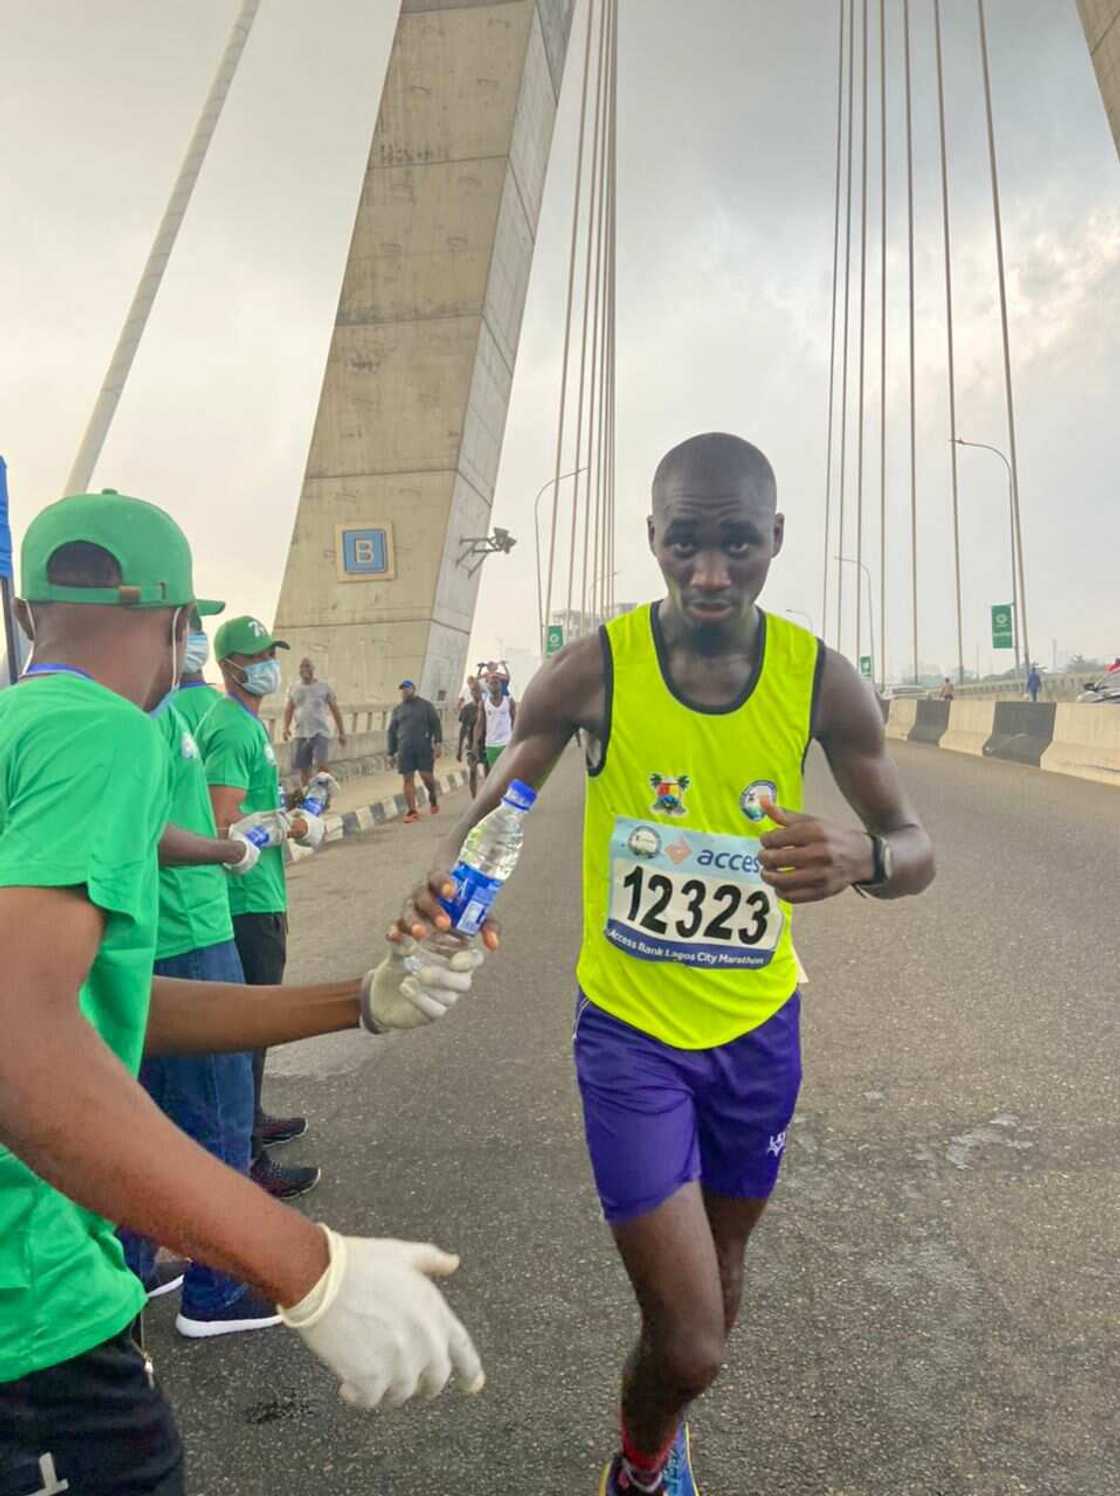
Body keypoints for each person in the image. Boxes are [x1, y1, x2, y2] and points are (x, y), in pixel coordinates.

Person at [394, 434, 935, 1495]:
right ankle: (638, 1467)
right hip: (631, 1037)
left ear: (774, 538)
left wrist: (862, 856)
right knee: (690, 1340)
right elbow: (508, 790)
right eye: (685, 543)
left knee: (718, 1289)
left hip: (758, 1034)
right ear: (653, 537)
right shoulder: (600, 664)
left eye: (737, 544)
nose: (710, 573)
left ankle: (662, 1425)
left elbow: (915, 847)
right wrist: (449, 885)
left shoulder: (820, 678)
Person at [0, 491, 485, 1493]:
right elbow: (18, 1037)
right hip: (29, 1306)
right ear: (180, 624)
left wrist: (355, 998)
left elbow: (103, 999)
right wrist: (307, 1266)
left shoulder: (14, 727)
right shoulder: (106, 732)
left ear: (23, 613)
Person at [195, 615, 321, 1201]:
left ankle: (254, 1117)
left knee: (257, 1024)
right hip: (245, 903)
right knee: (250, 1025)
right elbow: (222, 823)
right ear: (231, 667)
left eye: (272, 651)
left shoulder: (244, 722)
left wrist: (291, 809)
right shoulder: (232, 728)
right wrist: (280, 825)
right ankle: (247, 1155)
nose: (268, 663)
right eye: (258, 655)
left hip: (262, 893)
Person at [283, 656, 347, 787]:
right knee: (304, 768)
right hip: (301, 733)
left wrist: (342, 732)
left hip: (320, 732)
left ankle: (324, 793)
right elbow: (289, 709)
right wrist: (285, 727)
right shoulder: (294, 688)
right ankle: (308, 795)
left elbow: (335, 710)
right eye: (302, 666)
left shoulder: (324, 687)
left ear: (313, 669)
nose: (305, 669)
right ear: (299, 670)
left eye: (308, 666)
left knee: (321, 764)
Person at [388, 679, 443, 824]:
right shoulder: (398, 710)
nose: (404, 691)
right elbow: (391, 732)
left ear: (413, 689)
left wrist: (438, 743)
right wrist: (390, 753)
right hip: (405, 749)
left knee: (426, 777)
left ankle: (432, 795)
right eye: (402, 689)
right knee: (407, 779)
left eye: (407, 688)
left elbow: (436, 725)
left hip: (423, 747)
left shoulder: (426, 706)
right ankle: (412, 811)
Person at [479, 670, 516, 772]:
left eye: (497, 682)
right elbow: (480, 725)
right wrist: (475, 744)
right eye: (492, 683)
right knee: (495, 773)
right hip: (491, 745)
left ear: (501, 685)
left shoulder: (509, 701)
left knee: (508, 772)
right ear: (488, 686)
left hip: (507, 743)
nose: (494, 685)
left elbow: (515, 722)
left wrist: (515, 741)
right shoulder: (484, 703)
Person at [458, 677, 484, 797]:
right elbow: (463, 730)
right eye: (473, 691)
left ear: (481, 692)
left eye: (477, 691)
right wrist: (459, 750)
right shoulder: (467, 709)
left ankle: (486, 798)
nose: (475, 693)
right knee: (472, 772)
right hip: (471, 746)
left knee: (489, 773)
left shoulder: (487, 706)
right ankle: (474, 797)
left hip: (486, 744)